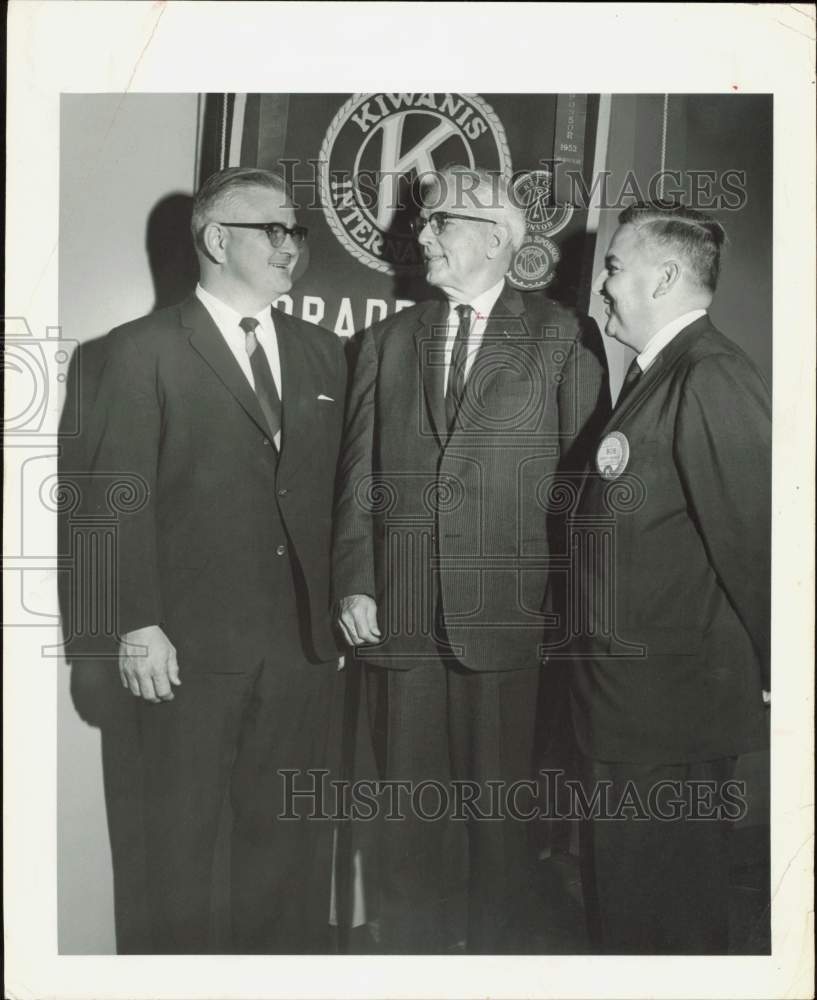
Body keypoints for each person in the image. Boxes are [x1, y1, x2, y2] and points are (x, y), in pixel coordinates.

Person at [333, 165, 610, 953]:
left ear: (493, 239)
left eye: (438, 223)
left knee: (500, 831)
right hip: (401, 618)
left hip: (511, 627)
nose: (420, 236)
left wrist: (569, 618)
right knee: (406, 825)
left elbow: (580, 493)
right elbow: (358, 474)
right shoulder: (385, 343)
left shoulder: (560, 336)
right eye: (421, 224)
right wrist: (354, 580)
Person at [88, 167, 347, 953]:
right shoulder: (137, 353)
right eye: (275, 229)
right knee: (180, 859)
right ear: (215, 238)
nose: (292, 247)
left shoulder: (326, 354)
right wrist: (136, 624)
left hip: (300, 656)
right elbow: (110, 503)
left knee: (288, 863)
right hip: (185, 657)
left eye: (296, 232)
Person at [568, 202, 770, 953]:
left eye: (615, 268)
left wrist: (782, 669)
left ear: (665, 276)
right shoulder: (658, 377)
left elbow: (758, 542)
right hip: (631, 714)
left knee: (666, 925)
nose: (603, 288)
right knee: (628, 914)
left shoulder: (711, 375)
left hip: (670, 720)